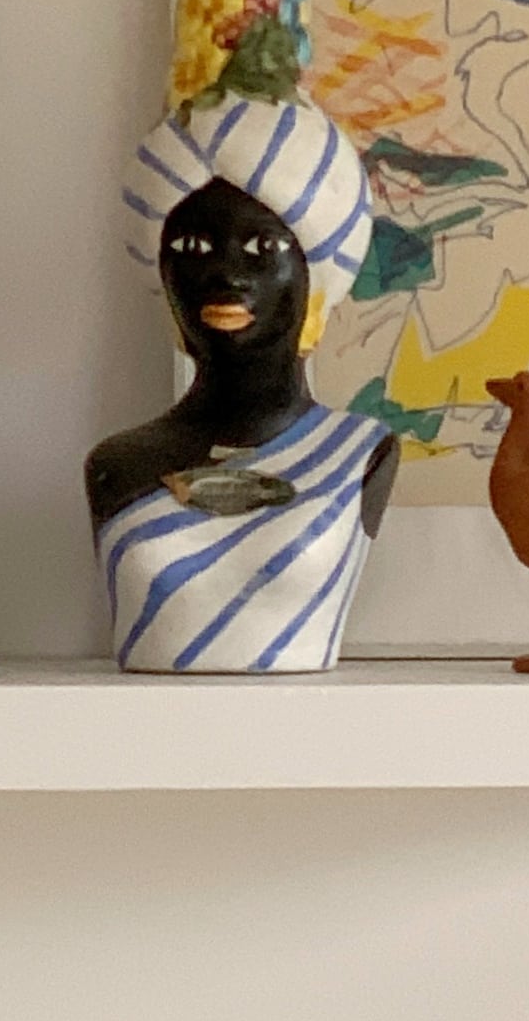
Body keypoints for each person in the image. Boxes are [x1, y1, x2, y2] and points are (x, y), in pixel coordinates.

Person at [91, 95, 399, 676]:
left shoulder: (359, 454)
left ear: (315, 271)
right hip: (141, 726)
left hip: (311, 726)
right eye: (193, 248)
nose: (226, 274)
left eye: (263, 249)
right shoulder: (115, 465)